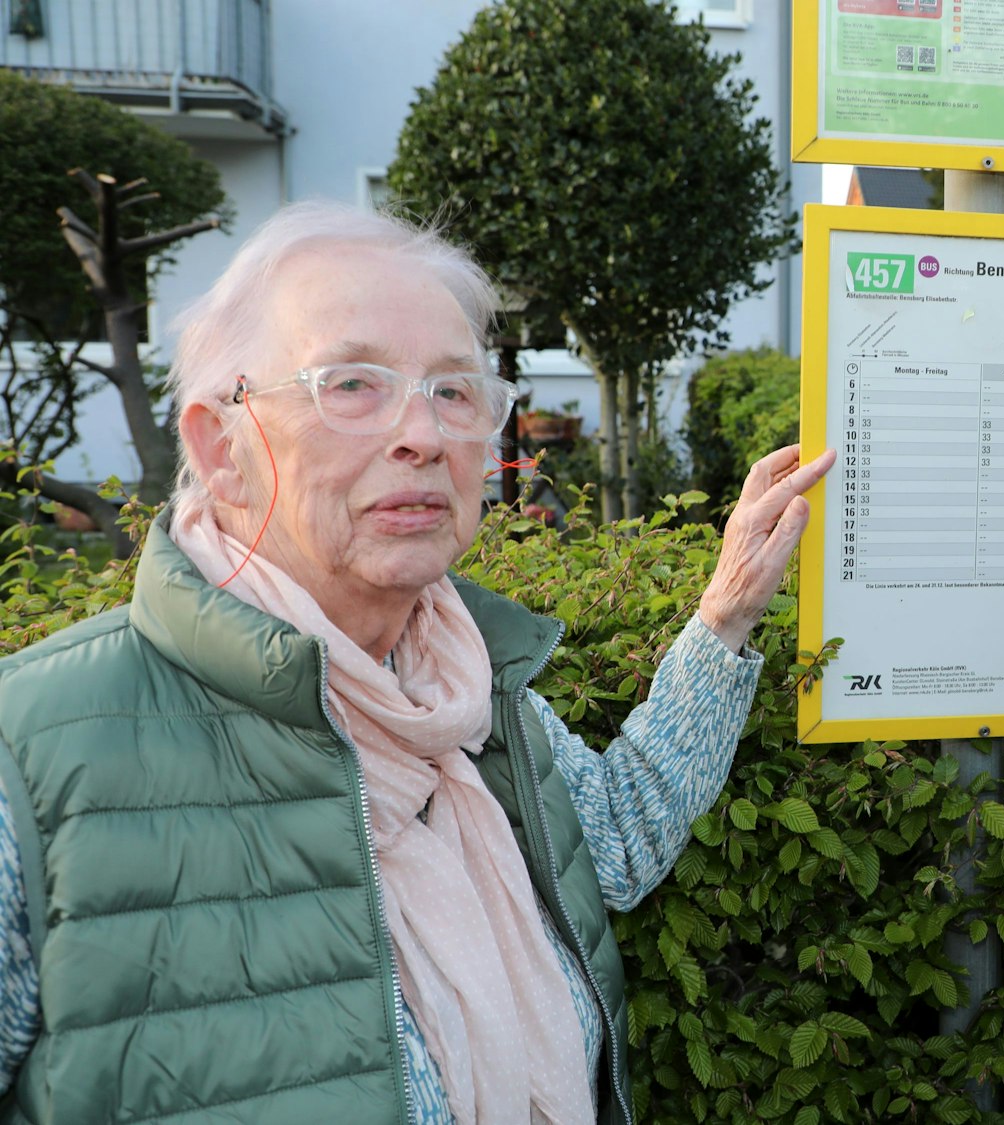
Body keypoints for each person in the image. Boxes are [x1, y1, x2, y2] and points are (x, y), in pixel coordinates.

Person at [0, 202, 832, 1124]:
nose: (425, 435)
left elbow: (618, 845)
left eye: (453, 390)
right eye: (352, 383)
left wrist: (726, 613)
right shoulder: (30, 763)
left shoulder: (469, 693)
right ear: (220, 448)